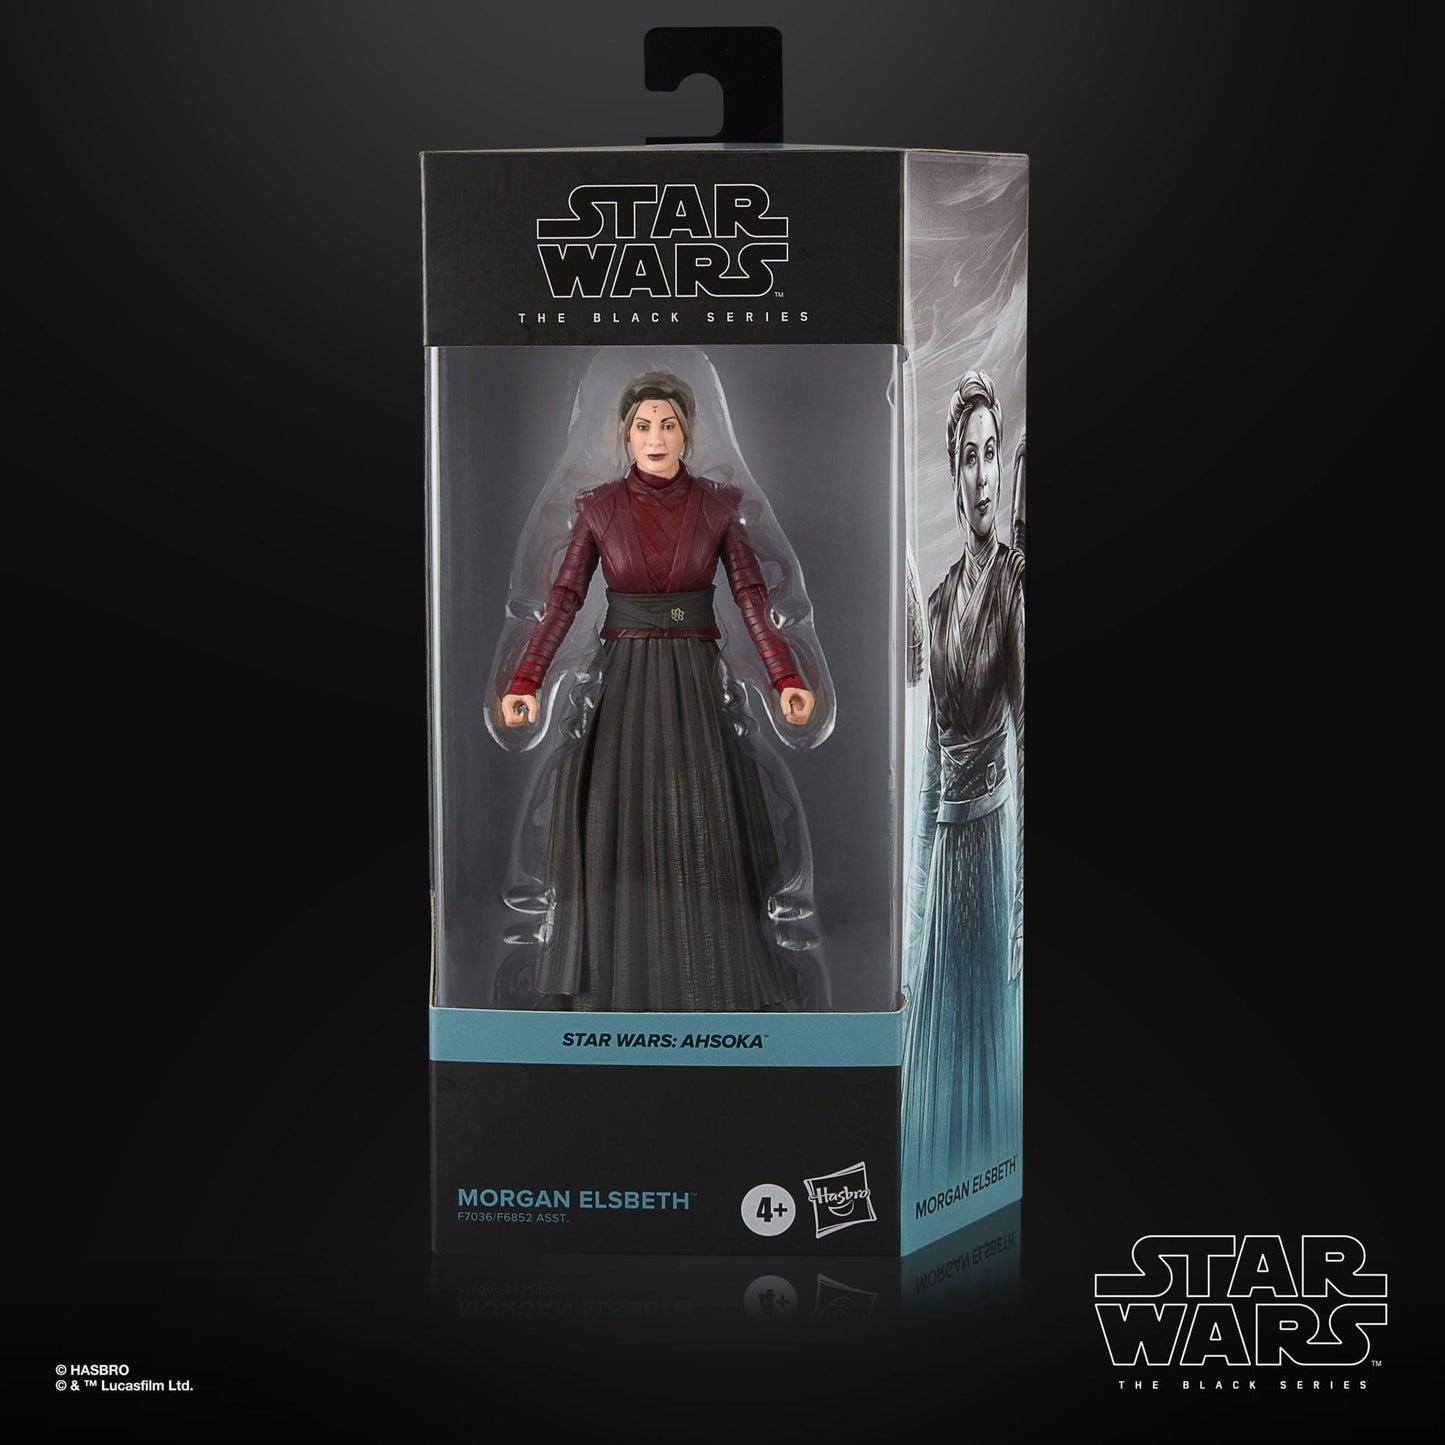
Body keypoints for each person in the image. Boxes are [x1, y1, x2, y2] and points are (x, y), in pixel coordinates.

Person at [500, 372, 817, 1012]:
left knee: (708, 820)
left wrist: (785, 676)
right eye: (643, 425)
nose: (656, 437)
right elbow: (564, 598)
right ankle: (612, 986)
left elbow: (752, 597)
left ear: (686, 434)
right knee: (610, 820)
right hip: (622, 682)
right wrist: (527, 679)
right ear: (625, 434)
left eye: (668, 425)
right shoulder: (598, 509)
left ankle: (714, 980)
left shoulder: (718, 508)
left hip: (696, 679)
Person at [902, 369, 1024, 1188]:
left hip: (994, 851)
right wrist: (915, 905)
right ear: (951, 470)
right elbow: (925, 764)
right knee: (932, 1053)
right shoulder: (942, 599)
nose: (983, 476)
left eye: (991, 455)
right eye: (969, 458)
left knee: (987, 1052)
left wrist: (1021, 906)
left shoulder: (1015, 584)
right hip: (945, 855)